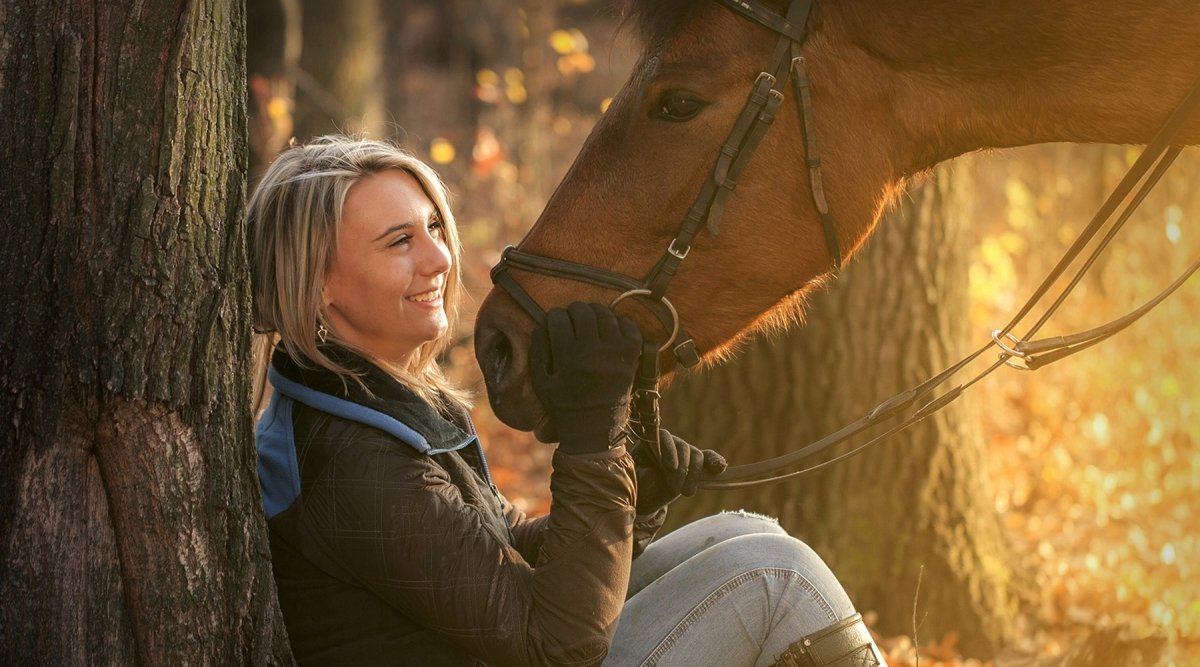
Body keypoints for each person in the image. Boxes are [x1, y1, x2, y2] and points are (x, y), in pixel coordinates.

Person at [249, 135, 885, 666]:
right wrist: (594, 438)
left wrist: (638, 491)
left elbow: (500, 562)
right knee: (774, 576)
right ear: (320, 285)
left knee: (744, 533)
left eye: (434, 227)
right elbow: (558, 642)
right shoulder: (349, 457)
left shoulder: (369, 402)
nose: (440, 257)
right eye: (399, 242)